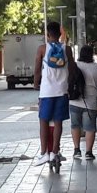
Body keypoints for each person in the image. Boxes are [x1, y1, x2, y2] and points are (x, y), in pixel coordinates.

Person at [33, 21, 74, 166]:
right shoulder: (67, 50)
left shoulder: (42, 49)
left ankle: (44, 153)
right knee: (58, 122)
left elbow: (37, 69)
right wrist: (69, 85)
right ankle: (55, 152)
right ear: (60, 33)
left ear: (47, 34)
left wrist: (36, 83)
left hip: (46, 91)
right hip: (62, 90)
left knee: (43, 121)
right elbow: (72, 69)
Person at [70, 45, 97, 160]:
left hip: (75, 101)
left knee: (75, 125)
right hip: (91, 103)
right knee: (90, 128)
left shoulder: (75, 66)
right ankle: (88, 152)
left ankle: (76, 150)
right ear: (91, 54)